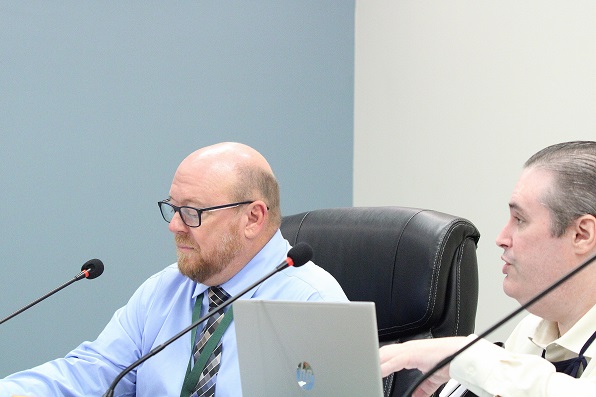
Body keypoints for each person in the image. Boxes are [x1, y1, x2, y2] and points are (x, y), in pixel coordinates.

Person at [0, 142, 348, 396]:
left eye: (193, 212)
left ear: (253, 218)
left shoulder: (311, 303)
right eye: (173, 208)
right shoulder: (164, 290)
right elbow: (91, 372)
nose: (175, 226)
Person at [380, 140, 596, 397]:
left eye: (520, 220)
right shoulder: (531, 331)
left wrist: (470, 358)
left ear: (581, 234)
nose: (502, 238)